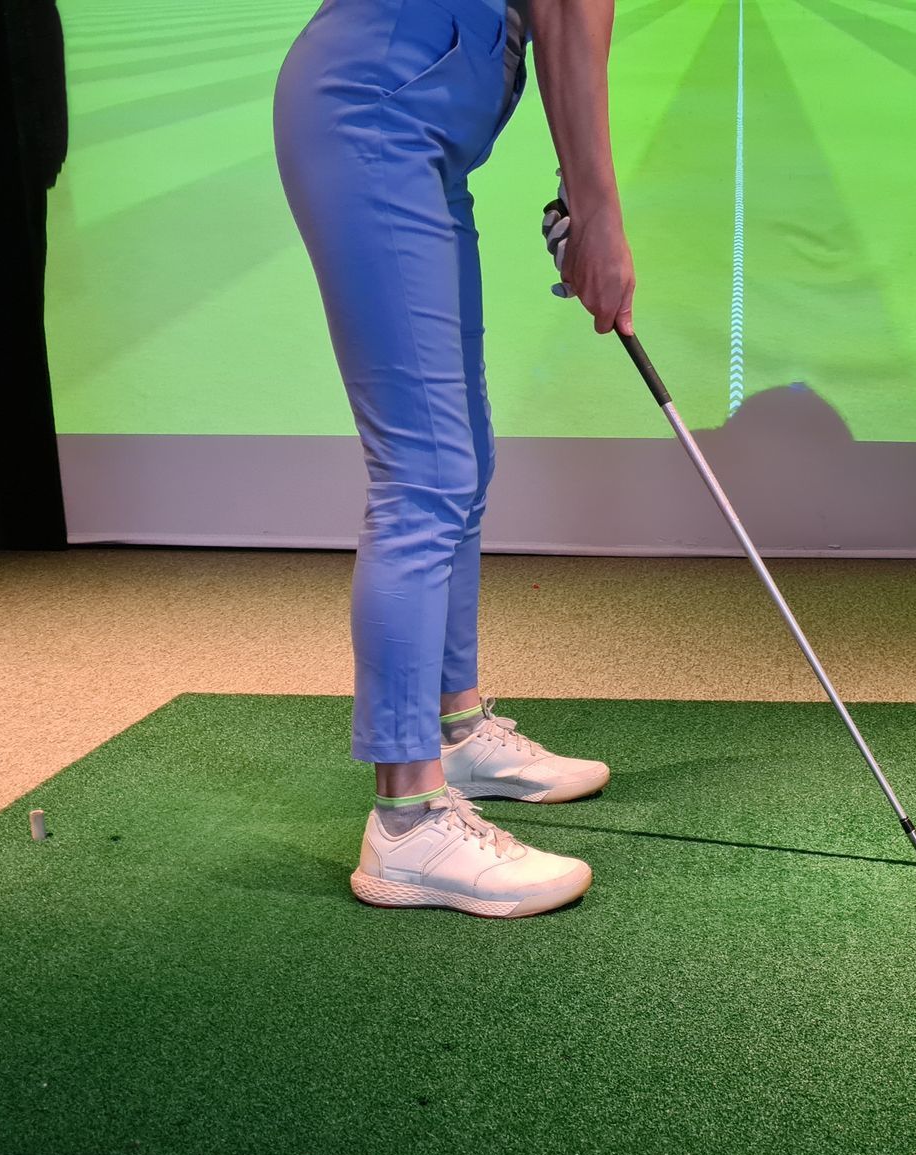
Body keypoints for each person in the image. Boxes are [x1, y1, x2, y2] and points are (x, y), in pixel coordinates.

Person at [274, 0, 633, 917]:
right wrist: (596, 211)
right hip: (376, 116)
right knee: (424, 478)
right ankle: (408, 824)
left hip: (416, 132)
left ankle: (458, 729)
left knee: (460, 464)